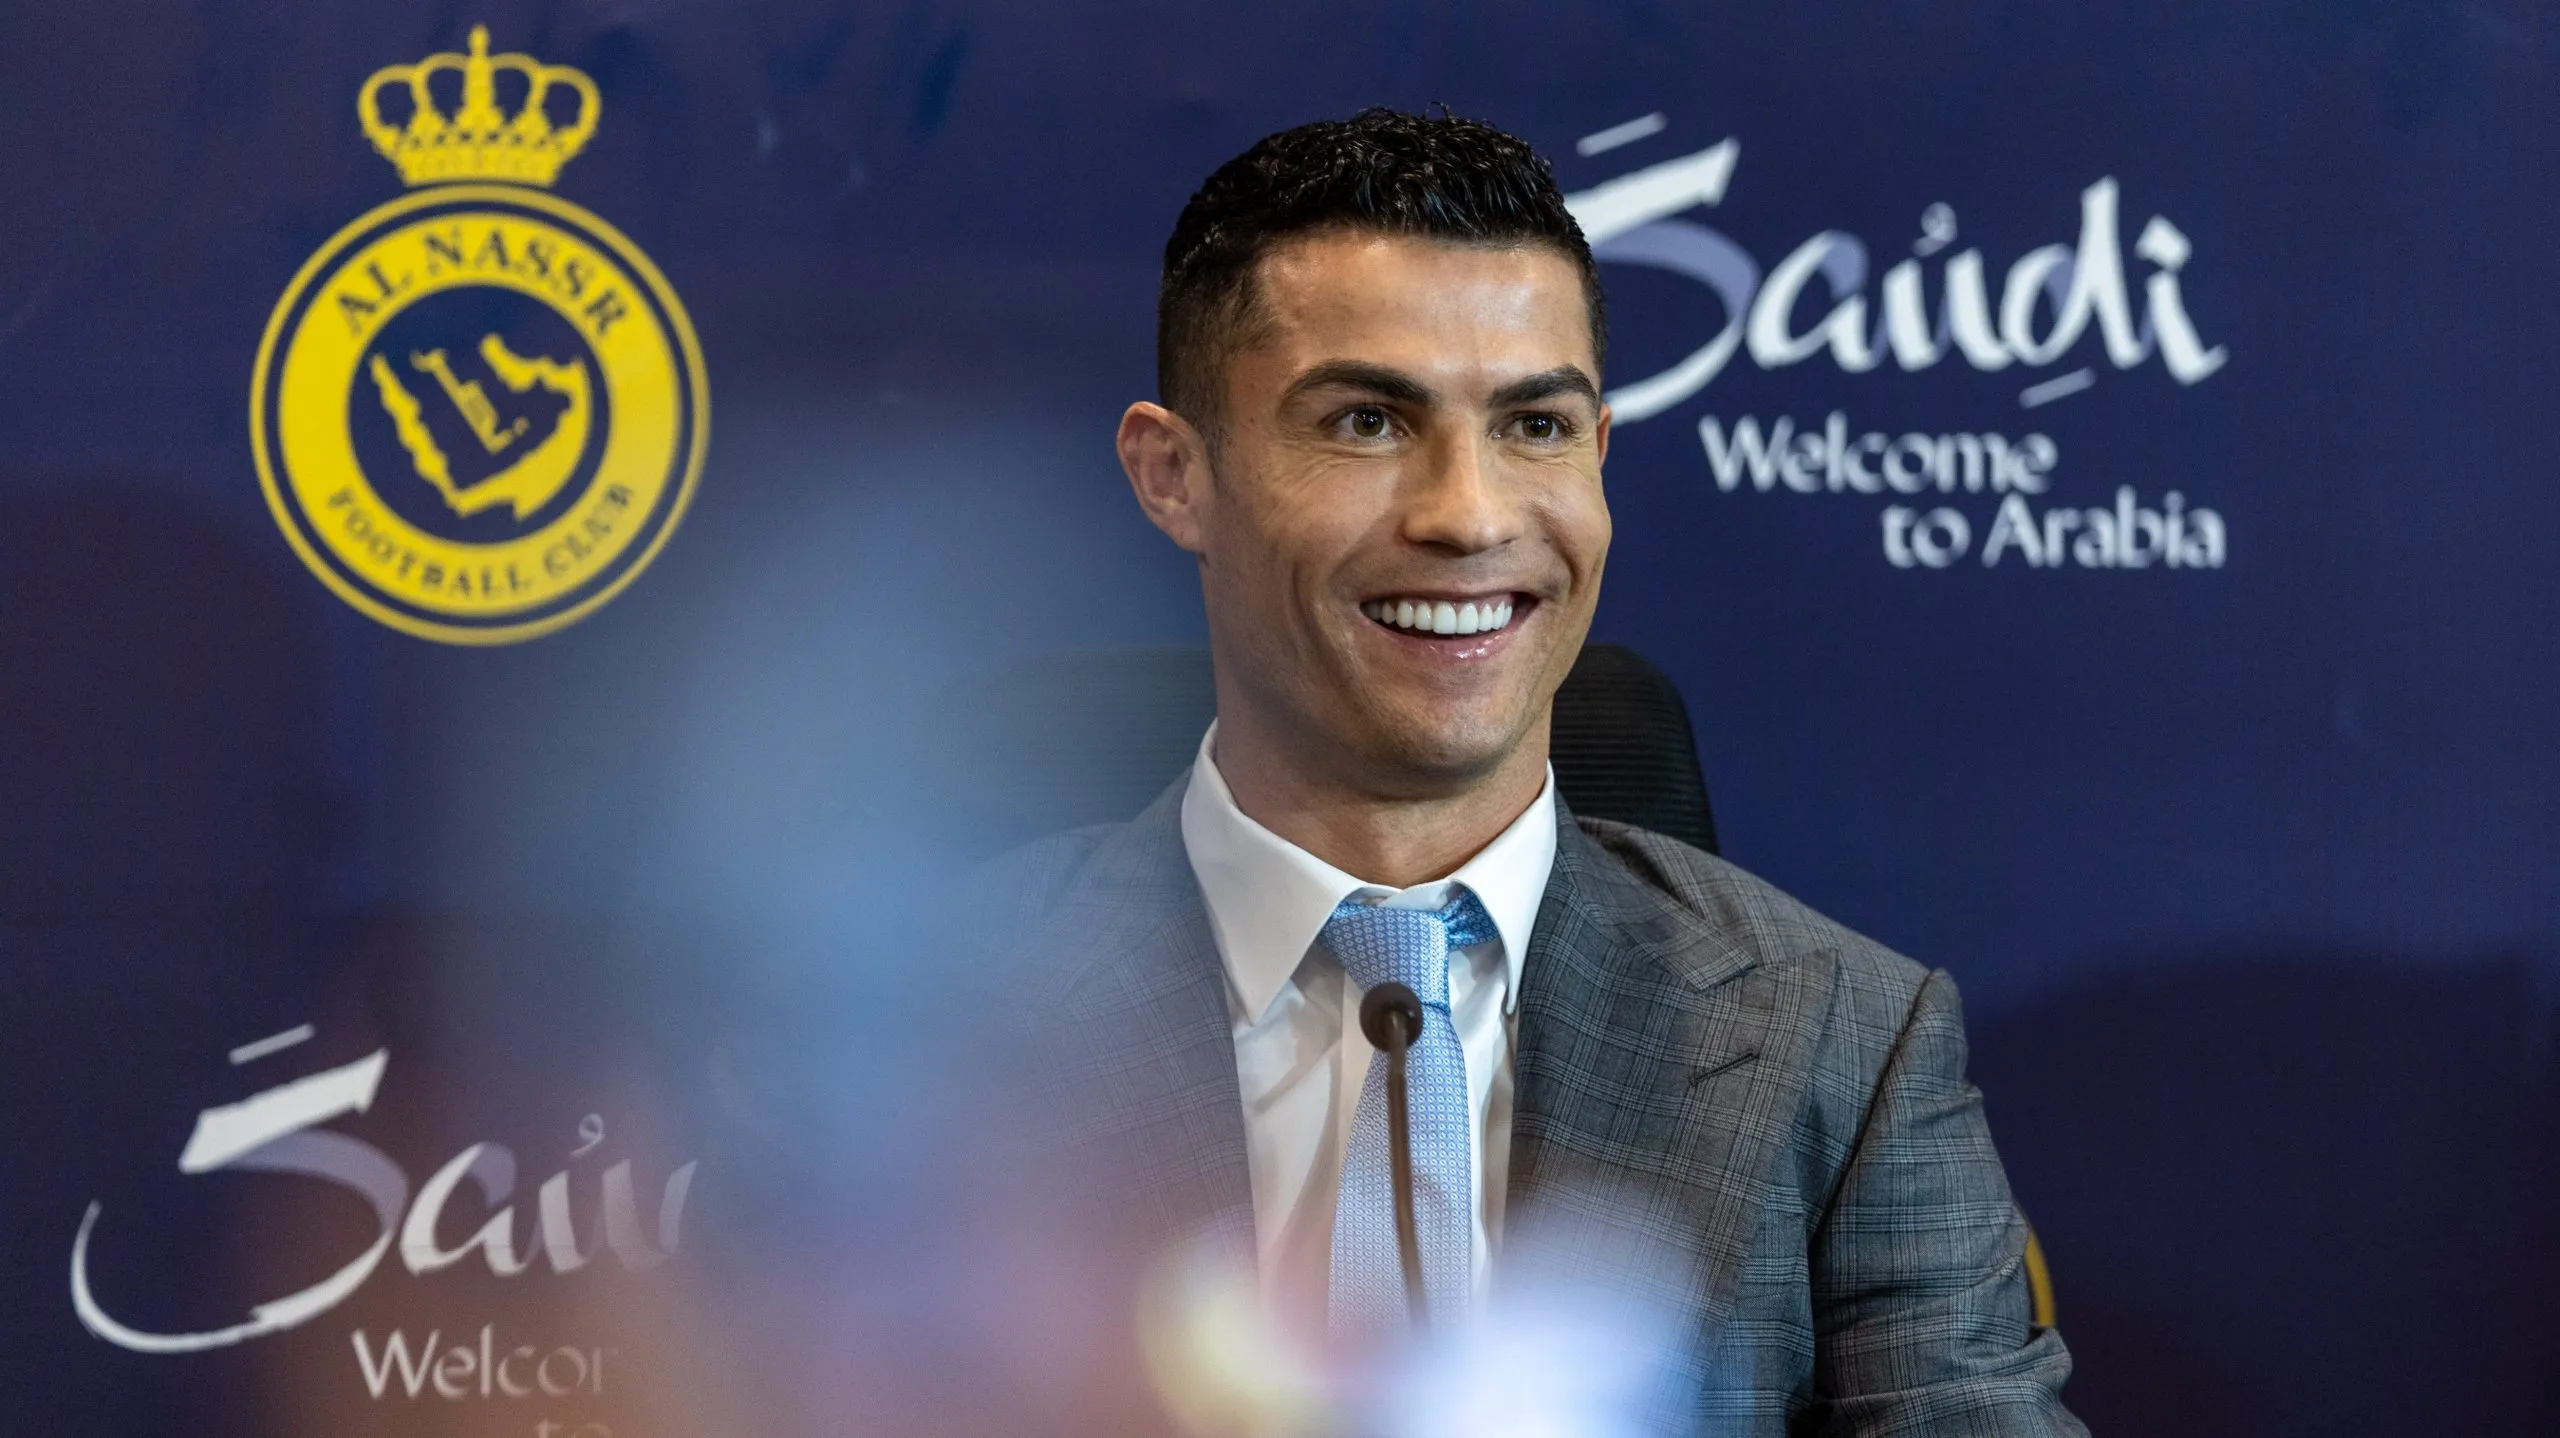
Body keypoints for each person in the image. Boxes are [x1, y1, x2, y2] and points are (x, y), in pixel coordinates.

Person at [967, 108, 2085, 1436]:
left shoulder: (1849, 1050)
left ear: (1600, 456)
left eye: (1535, 426)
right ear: (1176, 475)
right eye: (1370, 420)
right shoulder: (897, 1036)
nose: (1471, 512)